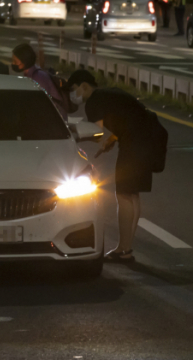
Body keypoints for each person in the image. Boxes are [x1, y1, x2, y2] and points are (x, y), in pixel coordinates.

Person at [67, 70, 155, 263]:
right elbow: (132, 116)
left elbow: (95, 131)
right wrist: (114, 137)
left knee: (124, 195)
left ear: (84, 86)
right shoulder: (109, 93)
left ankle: (124, 250)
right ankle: (126, 248)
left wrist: (70, 129)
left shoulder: (94, 101)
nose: (73, 94)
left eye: (74, 89)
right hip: (147, 141)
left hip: (134, 145)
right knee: (132, 195)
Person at [11, 43, 67, 119]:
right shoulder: (30, 74)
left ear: (24, 61)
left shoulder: (38, 77)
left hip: (55, 118)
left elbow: (42, 103)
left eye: (15, 61)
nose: (13, 63)